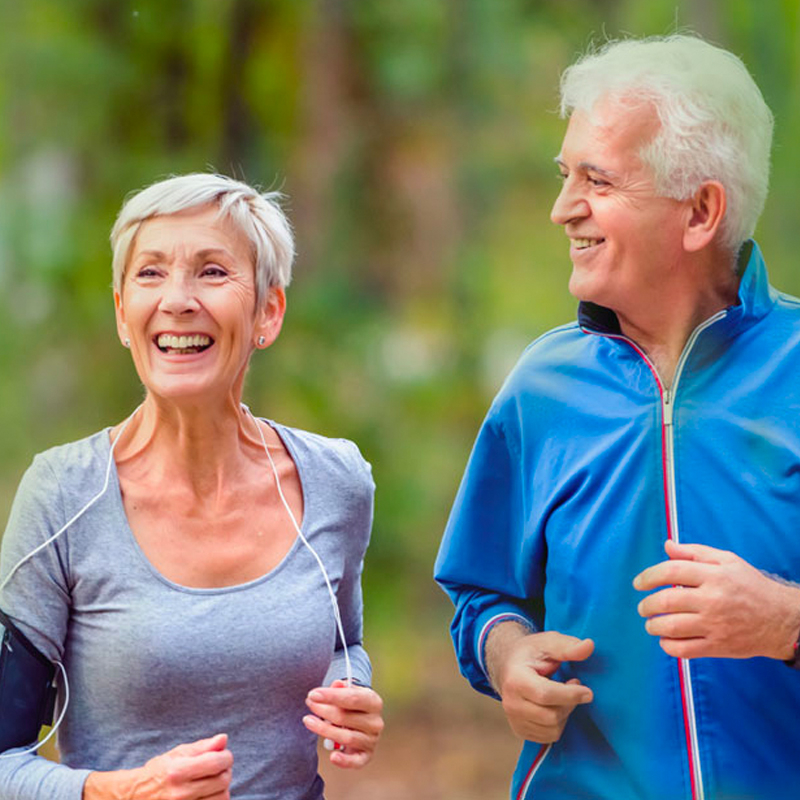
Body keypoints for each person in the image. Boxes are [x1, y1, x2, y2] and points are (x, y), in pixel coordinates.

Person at [435, 34, 800, 800]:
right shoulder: (541, 389)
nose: (562, 209)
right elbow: (483, 596)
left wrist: (784, 621)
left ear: (700, 211)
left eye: (597, 180)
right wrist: (508, 658)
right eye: (565, 175)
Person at [0, 173, 384, 800]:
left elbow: (347, 642)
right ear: (123, 314)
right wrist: (126, 791)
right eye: (151, 273)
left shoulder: (335, 480)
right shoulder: (63, 497)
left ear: (268, 312)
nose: (177, 300)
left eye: (212, 272)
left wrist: (351, 692)